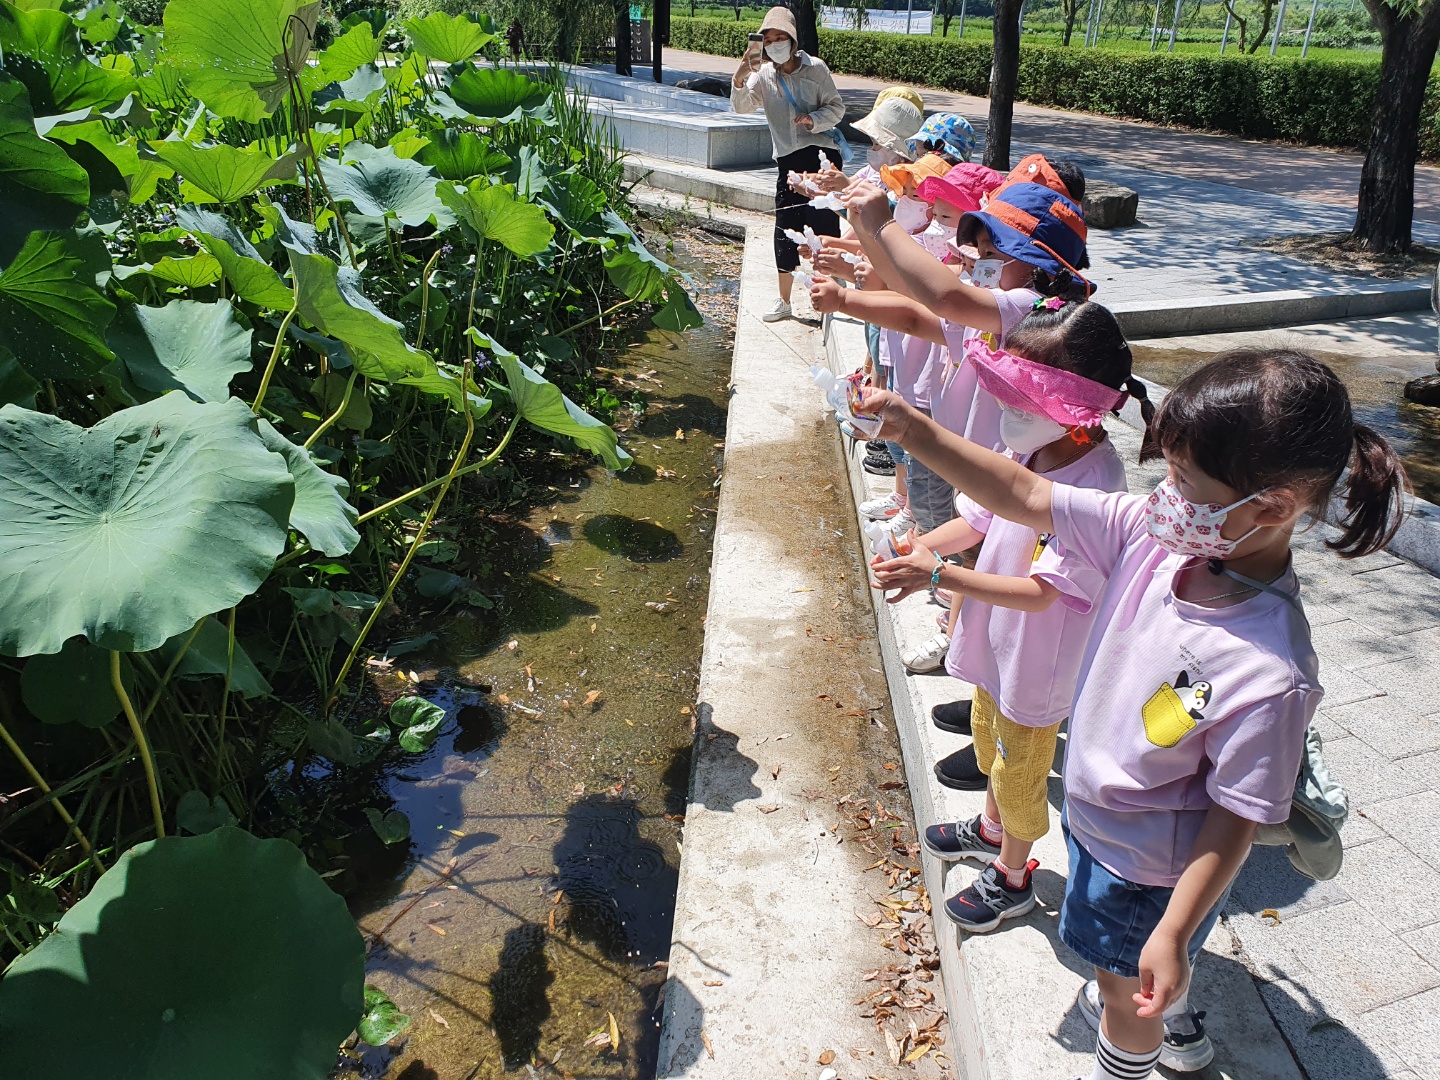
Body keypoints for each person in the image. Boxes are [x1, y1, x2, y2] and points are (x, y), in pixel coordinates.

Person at [855, 351, 1407, 1078]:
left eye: (1183, 480)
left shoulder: (1271, 672)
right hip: (1101, 824)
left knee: (1126, 992)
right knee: (1132, 972)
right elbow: (1026, 492)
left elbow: (1236, 815)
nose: (1164, 494)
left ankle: (1132, 1049)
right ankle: (1166, 1011)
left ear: (1271, 508)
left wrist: (1174, 929)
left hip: (1147, 869)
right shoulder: (1157, 539)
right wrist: (911, 428)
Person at [871, 301, 1153, 937]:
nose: (1006, 414)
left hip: (1039, 656)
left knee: (1021, 767)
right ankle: (991, 826)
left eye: (1023, 403)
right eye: (1005, 395)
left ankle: (1014, 874)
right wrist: (922, 549)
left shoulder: (1095, 484)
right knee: (988, 733)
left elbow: (1040, 593)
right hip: (999, 638)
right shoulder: (1032, 448)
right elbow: (977, 520)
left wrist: (939, 577)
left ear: (1079, 409)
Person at [730, 6, 845, 323]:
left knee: (823, 226)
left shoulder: (815, 69)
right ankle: (784, 301)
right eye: (768, 40)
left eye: (780, 37)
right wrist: (740, 76)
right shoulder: (763, 75)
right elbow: (742, 107)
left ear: (793, 40)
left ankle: (832, 296)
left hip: (821, 156)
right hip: (788, 161)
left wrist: (813, 119)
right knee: (785, 229)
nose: (774, 44)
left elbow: (836, 109)